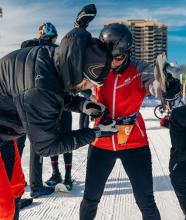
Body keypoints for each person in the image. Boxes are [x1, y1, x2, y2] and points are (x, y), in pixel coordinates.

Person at [0, 4, 117, 220]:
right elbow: (46, 146)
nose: (86, 88)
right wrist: (96, 133)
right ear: (77, 71)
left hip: (6, 132)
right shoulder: (37, 92)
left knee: (16, 186)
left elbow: (56, 93)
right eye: (87, 83)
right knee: (3, 207)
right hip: (5, 129)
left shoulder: (53, 56)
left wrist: (82, 105)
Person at [79, 23, 181, 220]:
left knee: (145, 200)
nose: (113, 63)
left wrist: (165, 86)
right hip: (102, 141)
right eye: (109, 58)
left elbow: (153, 83)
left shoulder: (139, 67)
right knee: (91, 198)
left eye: (118, 57)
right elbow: (79, 83)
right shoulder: (99, 67)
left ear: (127, 52)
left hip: (134, 143)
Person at [19, 22, 59, 199]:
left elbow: (24, 46)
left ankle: (15, 180)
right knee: (38, 143)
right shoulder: (53, 51)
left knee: (16, 141)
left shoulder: (28, 48)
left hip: (17, 98)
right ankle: (36, 186)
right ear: (54, 37)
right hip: (38, 102)